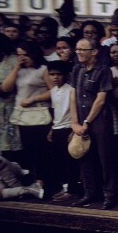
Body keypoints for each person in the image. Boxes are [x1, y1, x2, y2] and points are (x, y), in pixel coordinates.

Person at [70, 38, 118, 209]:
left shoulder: (104, 71)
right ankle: (89, 192)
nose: (79, 52)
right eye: (77, 49)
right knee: (85, 157)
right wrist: (75, 122)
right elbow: (73, 96)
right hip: (81, 121)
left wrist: (86, 122)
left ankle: (109, 194)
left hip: (100, 122)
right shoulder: (77, 70)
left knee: (105, 157)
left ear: (94, 51)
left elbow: (100, 99)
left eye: (83, 49)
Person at [1, 41, 52, 190]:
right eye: (19, 55)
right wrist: (17, 67)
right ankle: (33, 178)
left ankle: (43, 179)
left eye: (25, 55)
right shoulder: (18, 70)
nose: (22, 58)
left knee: (40, 149)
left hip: (38, 113)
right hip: (22, 116)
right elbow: (6, 87)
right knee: (27, 148)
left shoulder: (43, 69)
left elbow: (54, 91)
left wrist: (34, 99)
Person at [43, 60, 81, 202]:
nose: (55, 77)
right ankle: (65, 189)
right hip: (57, 129)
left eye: (58, 74)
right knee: (60, 162)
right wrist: (52, 129)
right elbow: (56, 111)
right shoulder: (53, 91)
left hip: (68, 129)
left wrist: (73, 130)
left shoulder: (70, 90)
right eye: (52, 74)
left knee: (71, 162)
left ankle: (73, 190)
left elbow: (74, 111)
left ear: (66, 75)